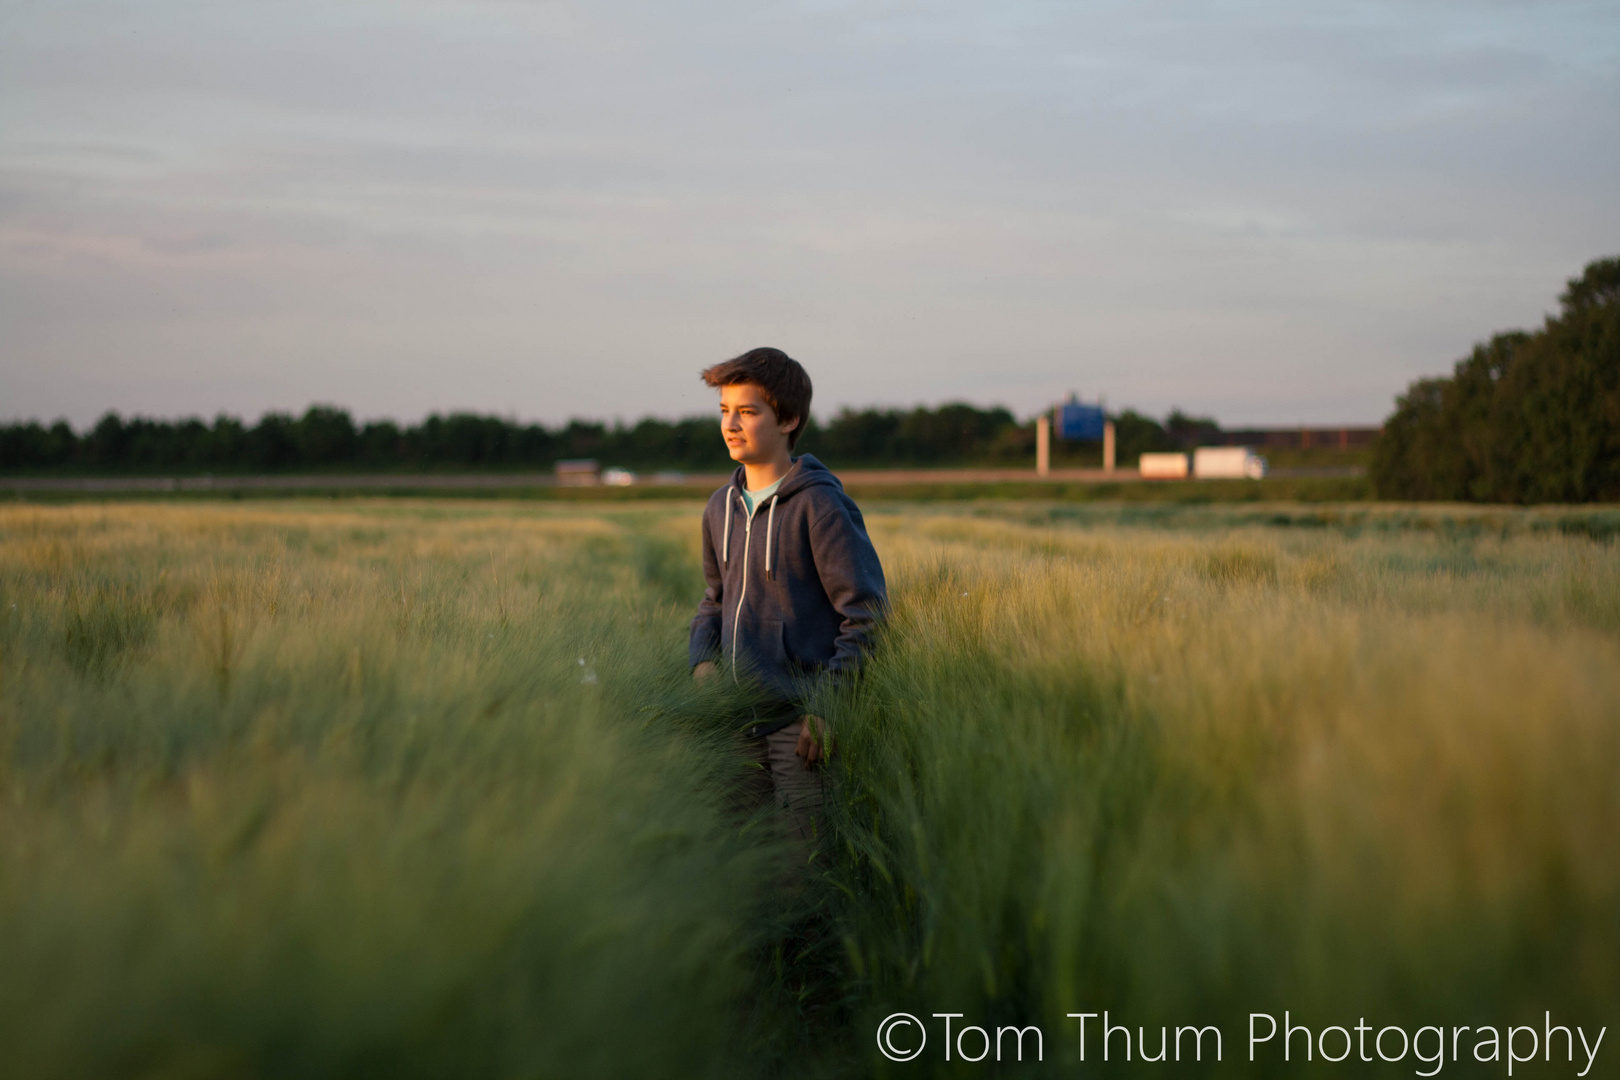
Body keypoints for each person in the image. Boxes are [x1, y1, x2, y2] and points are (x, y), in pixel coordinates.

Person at [689, 347, 887, 877]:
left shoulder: (820, 506)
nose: (731, 425)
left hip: (799, 729)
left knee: (801, 879)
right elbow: (714, 601)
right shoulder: (718, 508)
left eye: (748, 412)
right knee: (741, 871)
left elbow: (866, 614)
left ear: (790, 418)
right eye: (725, 411)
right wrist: (702, 662)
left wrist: (828, 705)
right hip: (732, 721)